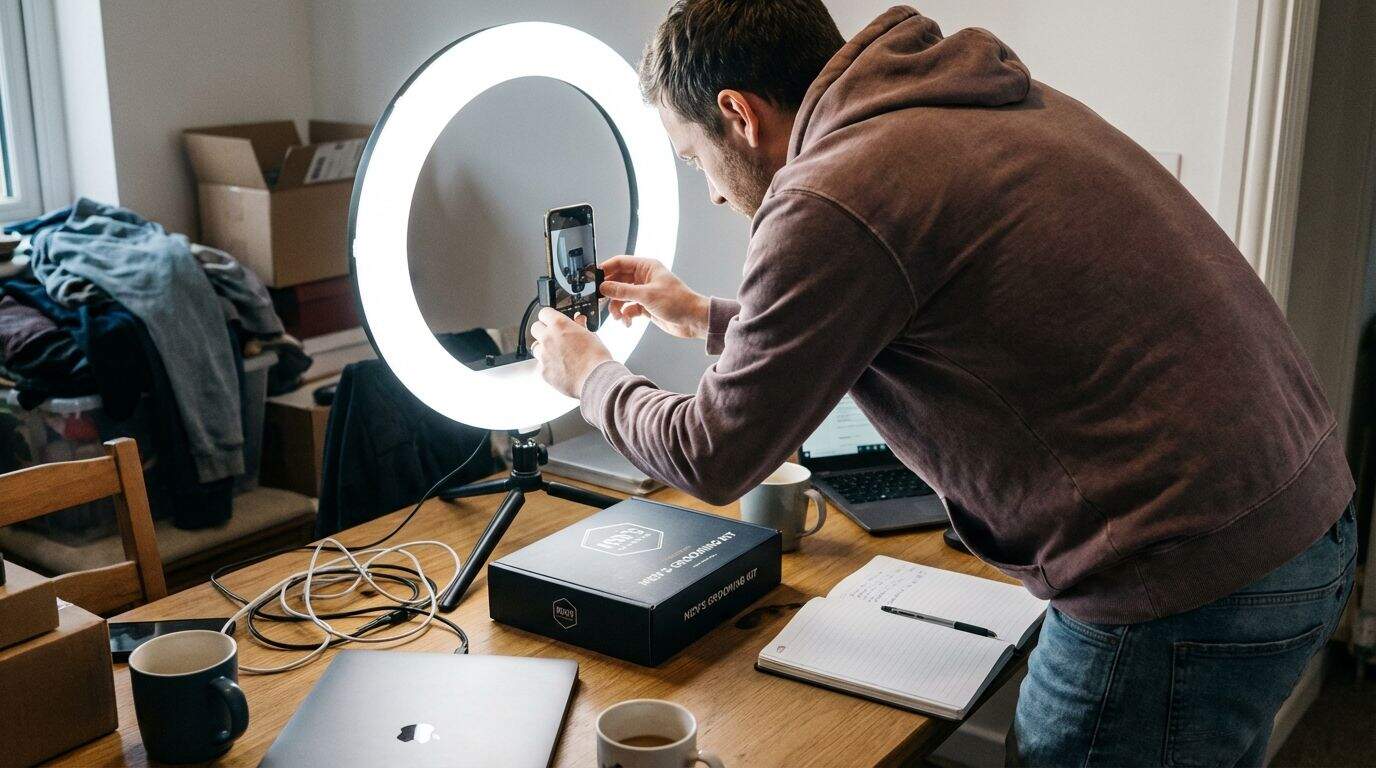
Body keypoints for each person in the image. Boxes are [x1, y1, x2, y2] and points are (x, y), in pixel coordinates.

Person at [527, 2, 1357, 764]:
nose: (708, 189)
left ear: (739, 115)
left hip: (1180, 579)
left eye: (693, 156)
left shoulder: (829, 190)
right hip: (1298, 520)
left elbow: (713, 454)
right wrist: (702, 315)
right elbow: (892, 291)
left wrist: (590, 375)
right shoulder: (948, 103)